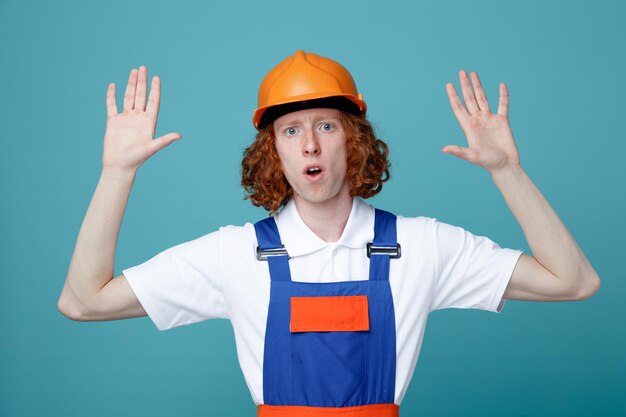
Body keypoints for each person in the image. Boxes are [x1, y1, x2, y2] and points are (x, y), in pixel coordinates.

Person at [58, 50, 600, 417]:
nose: (310, 145)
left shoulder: (421, 245)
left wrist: (507, 170)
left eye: (326, 125)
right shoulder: (235, 254)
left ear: (354, 140)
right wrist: (117, 173)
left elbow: (573, 282)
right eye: (291, 130)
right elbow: (83, 303)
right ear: (275, 152)